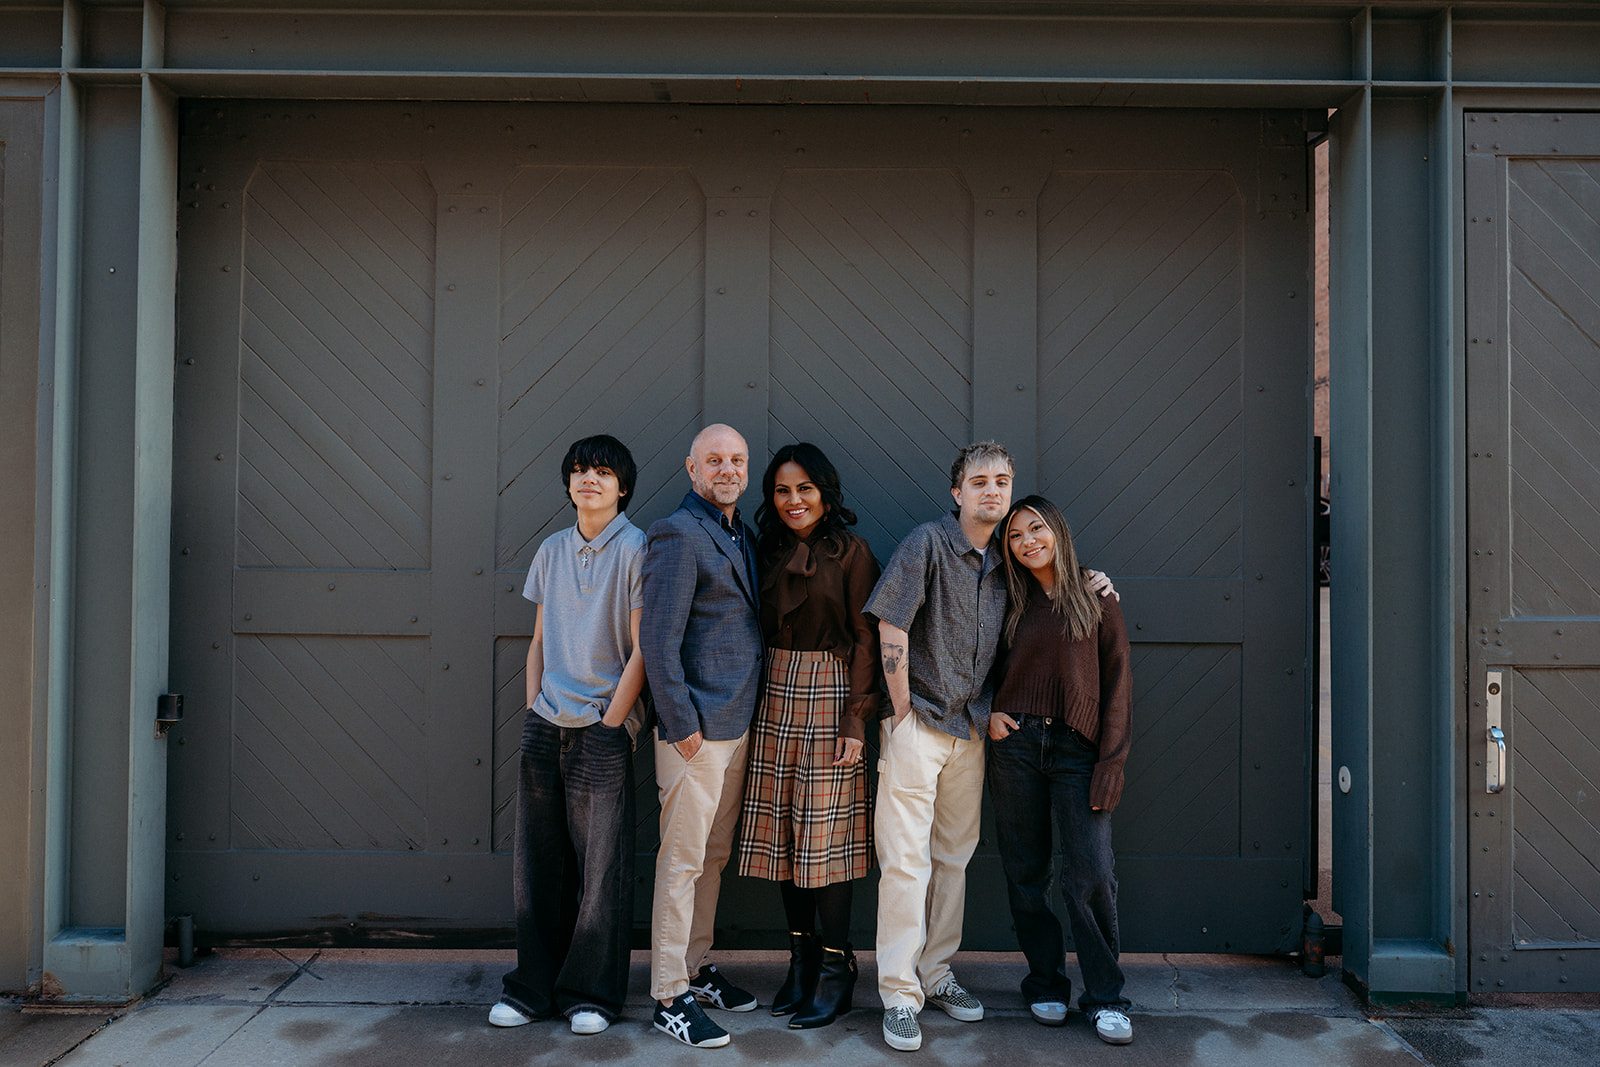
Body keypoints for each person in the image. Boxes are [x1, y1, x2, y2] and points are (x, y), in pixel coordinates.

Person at [490, 434, 647, 1037]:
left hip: (602, 728)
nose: (589, 479)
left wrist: (613, 724)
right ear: (568, 484)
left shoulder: (638, 549)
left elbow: (639, 652)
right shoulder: (551, 550)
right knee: (538, 865)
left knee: (600, 868)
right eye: (580, 471)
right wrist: (534, 709)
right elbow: (536, 642)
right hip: (544, 724)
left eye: (603, 472)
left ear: (622, 486)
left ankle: (592, 995)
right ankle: (530, 989)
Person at [735, 443, 880, 1030]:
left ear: (825, 492)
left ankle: (837, 967)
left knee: (827, 839)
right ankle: (799, 962)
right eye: (782, 491)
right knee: (782, 835)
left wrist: (856, 721)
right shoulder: (762, 547)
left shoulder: (851, 552)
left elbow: (867, 638)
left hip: (830, 691)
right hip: (773, 690)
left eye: (805, 489)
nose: (794, 501)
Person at [988, 495, 1134, 1046]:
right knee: (1026, 872)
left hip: (1078, 750)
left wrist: (1111, 763)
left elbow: (1118, 686)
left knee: (1091, 873)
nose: (1028, 541)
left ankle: (1105, 998)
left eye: (1036, 528)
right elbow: (976, 659)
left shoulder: (1096, 596)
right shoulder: (1005, 599)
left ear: (1057, 531)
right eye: (1016, 536)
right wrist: (990, 712)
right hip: (1016, 745)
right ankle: (1045, 982)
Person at [641, 423, 765, 1049]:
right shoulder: (675, 533)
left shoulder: (741, 532)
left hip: (736, 728)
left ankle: (693, 967)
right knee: (682, 861)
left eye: (737, 459)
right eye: (714, 459)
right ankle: (668, 994)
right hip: (696, 734)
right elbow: (656, 643)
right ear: (691, 469)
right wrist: (682, 728)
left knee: (712, 858)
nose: (727, 468)